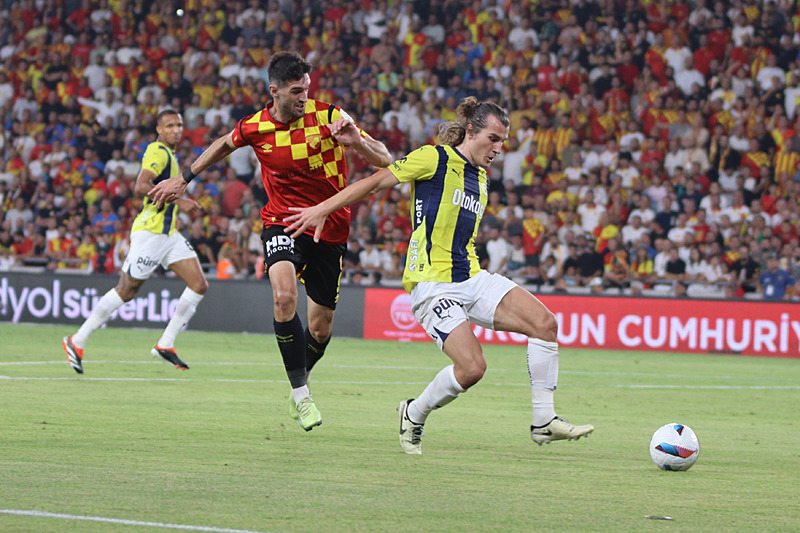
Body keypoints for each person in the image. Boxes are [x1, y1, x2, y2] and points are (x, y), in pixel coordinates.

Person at [284, 97, 594, 454]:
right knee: (473, 368)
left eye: (504, 142)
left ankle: (543, 420)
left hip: (471, 277)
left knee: (546, 324)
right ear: (472, 131)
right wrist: (322, 209)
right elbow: (376, 182)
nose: (498, 148)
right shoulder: (434, 157)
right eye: (493, 138)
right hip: (432, 284)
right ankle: (414, 413)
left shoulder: (481, 177)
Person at [148, 52, 392, 431]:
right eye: (297, 91)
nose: (304, 98)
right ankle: (301, 395)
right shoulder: (256, 126)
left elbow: (386, 159)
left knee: (321, 329)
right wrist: (185, 177)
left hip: (328, 229)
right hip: (282, 222)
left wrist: (356, 142)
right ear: (274, 91)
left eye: (307, 89)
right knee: (283, 296)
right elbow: (224, 144)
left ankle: (299, 379)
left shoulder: (329, 117)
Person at [62, 109, 208, 374]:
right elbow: (141, 186)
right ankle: (77, 339)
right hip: (151, 233)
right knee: (126, 291)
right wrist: (181, 201)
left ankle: (165, 343)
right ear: (159, 130)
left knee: (198, 284)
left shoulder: (171, 155)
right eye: (170, 125)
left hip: (168, 234)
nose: (176, 129)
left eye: (179, 125)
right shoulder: (158, 150)